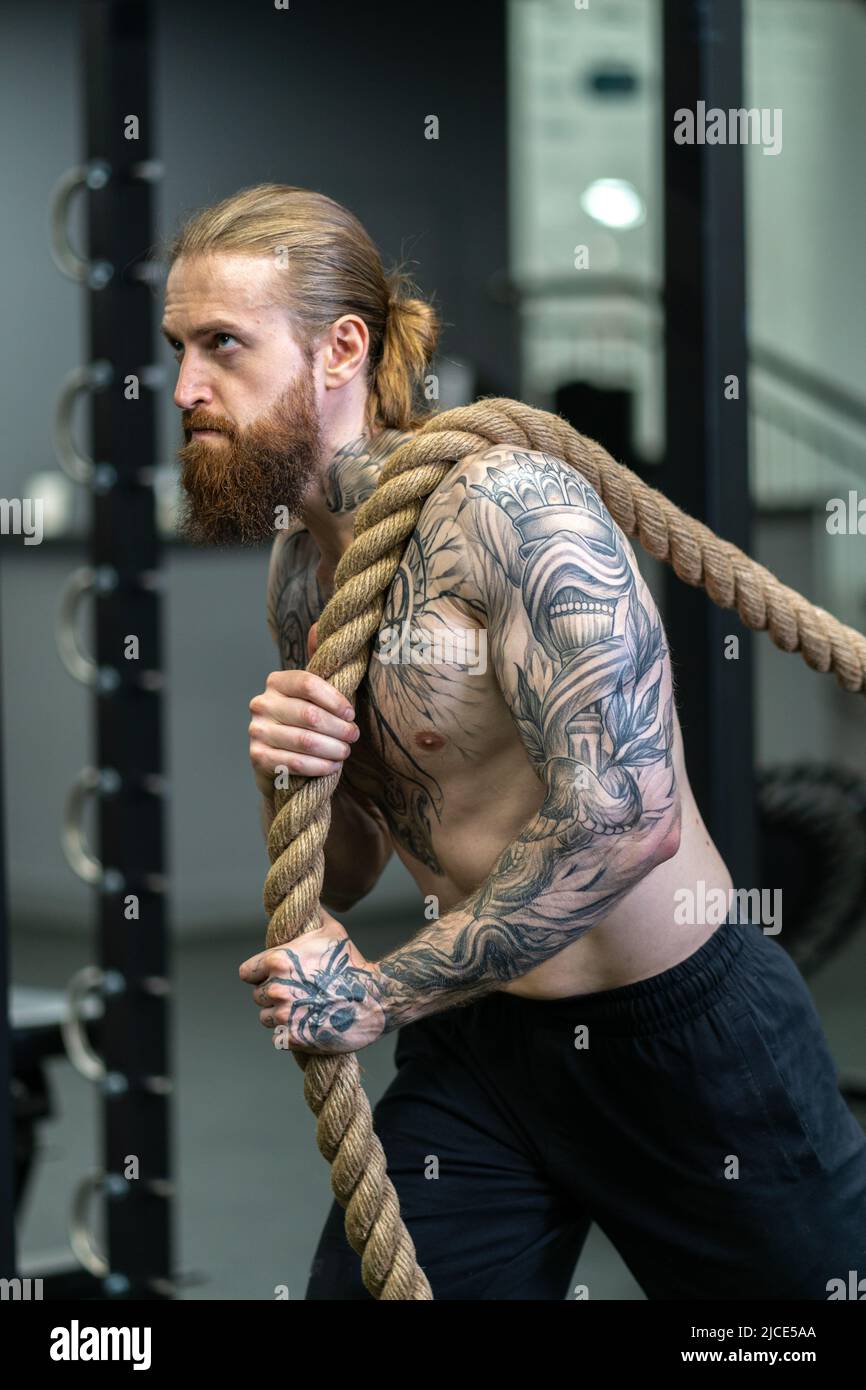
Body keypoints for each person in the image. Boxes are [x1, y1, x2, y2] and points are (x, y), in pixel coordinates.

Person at [162, 183, 866, 1300]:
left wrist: (379, 996)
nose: (187, 387)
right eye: (178, 348)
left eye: (222, 346)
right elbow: (347, 866)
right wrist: (288, 776)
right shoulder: (303, 572)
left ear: (339, 348)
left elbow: (623, 818)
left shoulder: (510, 511)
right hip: (483, 1046)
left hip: (679, 1039)